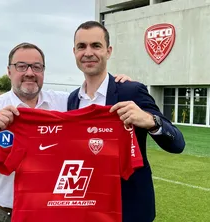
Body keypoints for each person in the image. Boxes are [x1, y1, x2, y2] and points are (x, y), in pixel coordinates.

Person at [0, 42, 131, 222]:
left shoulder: (65, 103)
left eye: (37, 67)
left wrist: (118, 86)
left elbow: (95, 105)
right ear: (9, 71)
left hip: (52, 212)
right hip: (7, 214)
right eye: (21, 66)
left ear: (43, 71)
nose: (29, 73)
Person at [68, 21, 186, 222]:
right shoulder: (73, 99)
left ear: (108, 51)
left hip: (129, 209)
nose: (88, 52)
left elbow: (177, 143)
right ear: (74, 52)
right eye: (82, 46)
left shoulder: (131, 91)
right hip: (88, 206)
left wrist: (150, 121)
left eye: (96, 46)